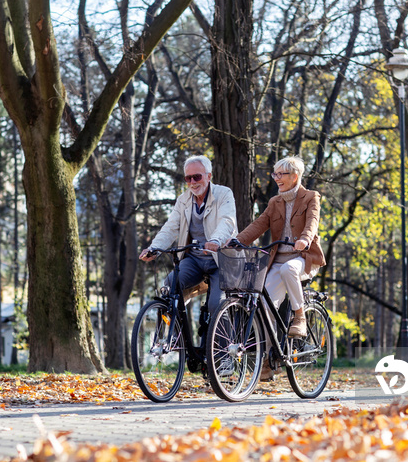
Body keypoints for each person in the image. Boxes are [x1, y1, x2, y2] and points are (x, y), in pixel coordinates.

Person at [234, 156, 326, 380]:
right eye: (274, 174)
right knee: (264, 304)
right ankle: (268, 357)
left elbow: (312, 222)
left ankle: (299, 317)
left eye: (280, 174)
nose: (276, 179)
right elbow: (259, 224)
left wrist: (304, 238)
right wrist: (237, 241)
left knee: (289, 271)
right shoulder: (275, 202)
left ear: (294, 176)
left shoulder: (311, 197)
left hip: (304, 259)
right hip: (279, 259)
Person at [139, 155, 238, 318]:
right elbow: (170, 227)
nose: (192, 182)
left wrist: (215, 240)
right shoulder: (183, 200)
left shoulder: (223, 194)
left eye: (197, 177)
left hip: (221, 259)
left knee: (217, 306)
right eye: (188, 178)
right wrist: (154, 248)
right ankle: (177, 338)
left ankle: (223, 343)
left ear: (209, 176)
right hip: (195, 260)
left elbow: (227, 221)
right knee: (170, 284)